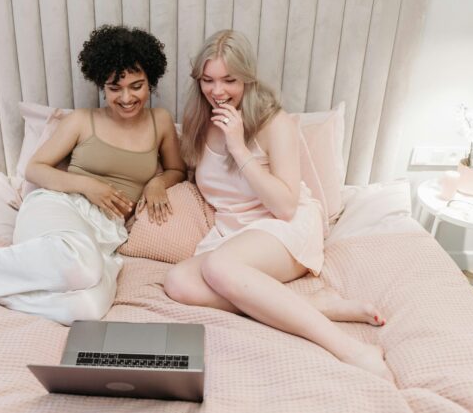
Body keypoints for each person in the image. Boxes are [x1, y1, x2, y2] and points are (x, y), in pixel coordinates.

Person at [0, 25, 186, 324]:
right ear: (101, 86)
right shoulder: (81, 120)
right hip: (59, 207)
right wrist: (89, 186)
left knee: (89, 308)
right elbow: (34, 168)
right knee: (82, 263)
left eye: (136, 86)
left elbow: (177, 169)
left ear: (150, 82)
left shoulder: (161, 121)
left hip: (107, 231)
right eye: (115, 88)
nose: (126, 97)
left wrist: (158, 181)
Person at [163, 30, 393, 381]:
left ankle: (351, 349)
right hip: (234, 233)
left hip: (283, 224)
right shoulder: (198, 122)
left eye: (229, 80)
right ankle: (317, 305)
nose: (217, 91)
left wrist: (239, 148)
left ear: (248, 79)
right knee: (178, 282)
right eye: (207, 80)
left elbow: (285, 206)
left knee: (220, 268)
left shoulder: (276, 124)